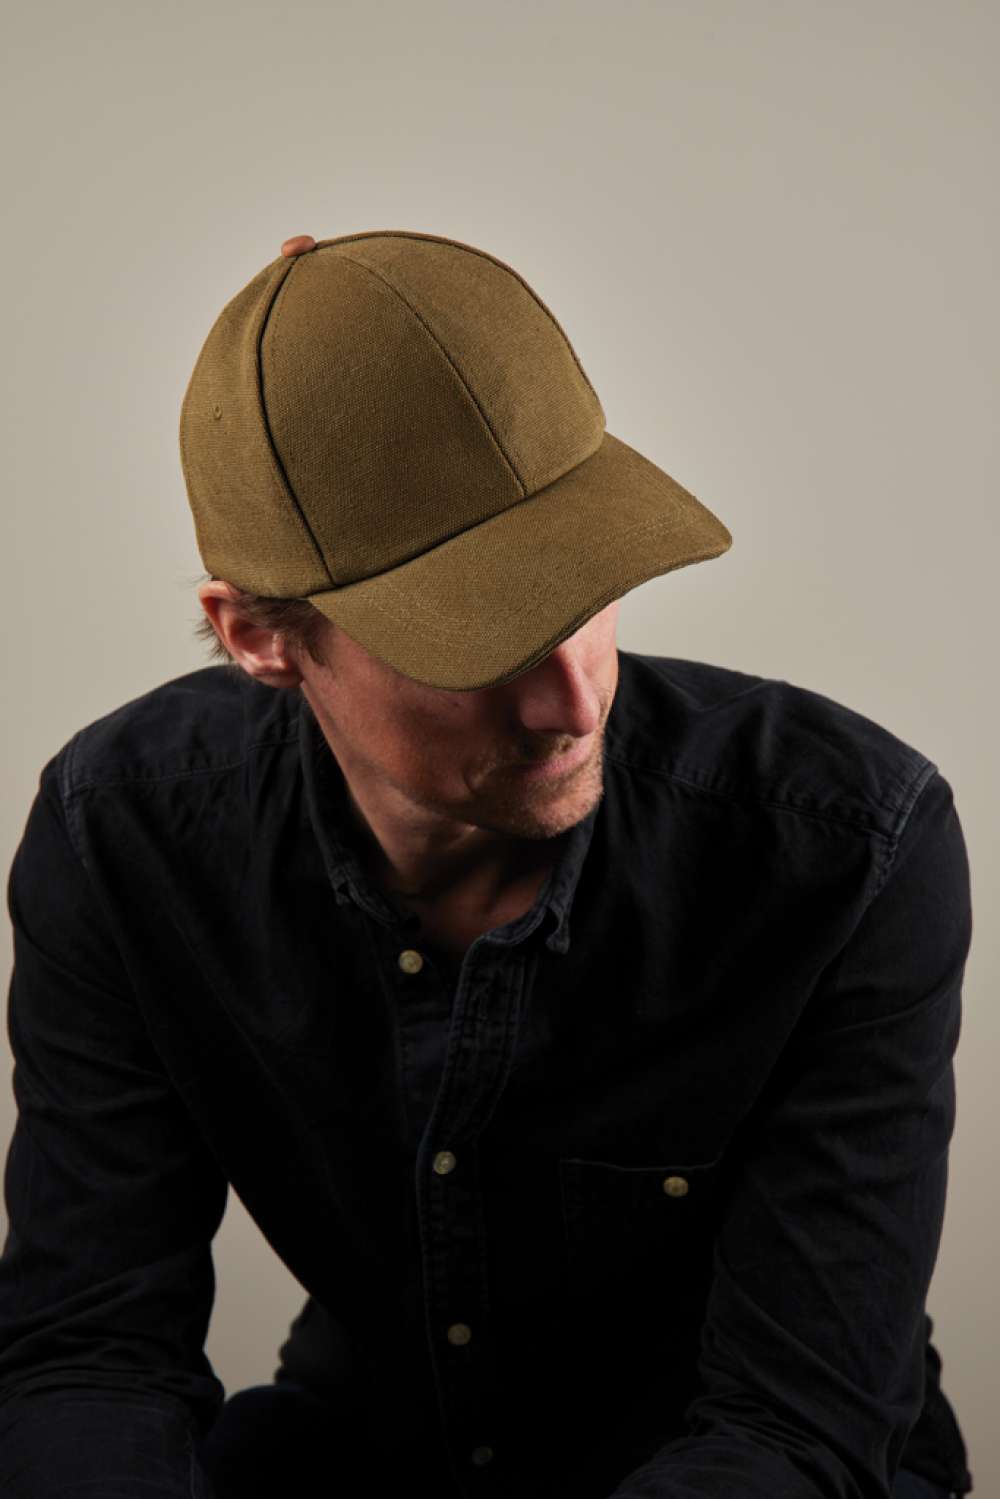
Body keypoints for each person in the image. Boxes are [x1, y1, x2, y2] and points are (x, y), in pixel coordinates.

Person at [0, 229, 974, 1499]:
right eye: (479, 638)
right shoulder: (124, 838)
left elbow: (796, 1424)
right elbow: (92, 1351)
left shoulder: (845, 845)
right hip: (372, 1449)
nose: (572, 701)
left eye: (586, 592)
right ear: (259, 637)